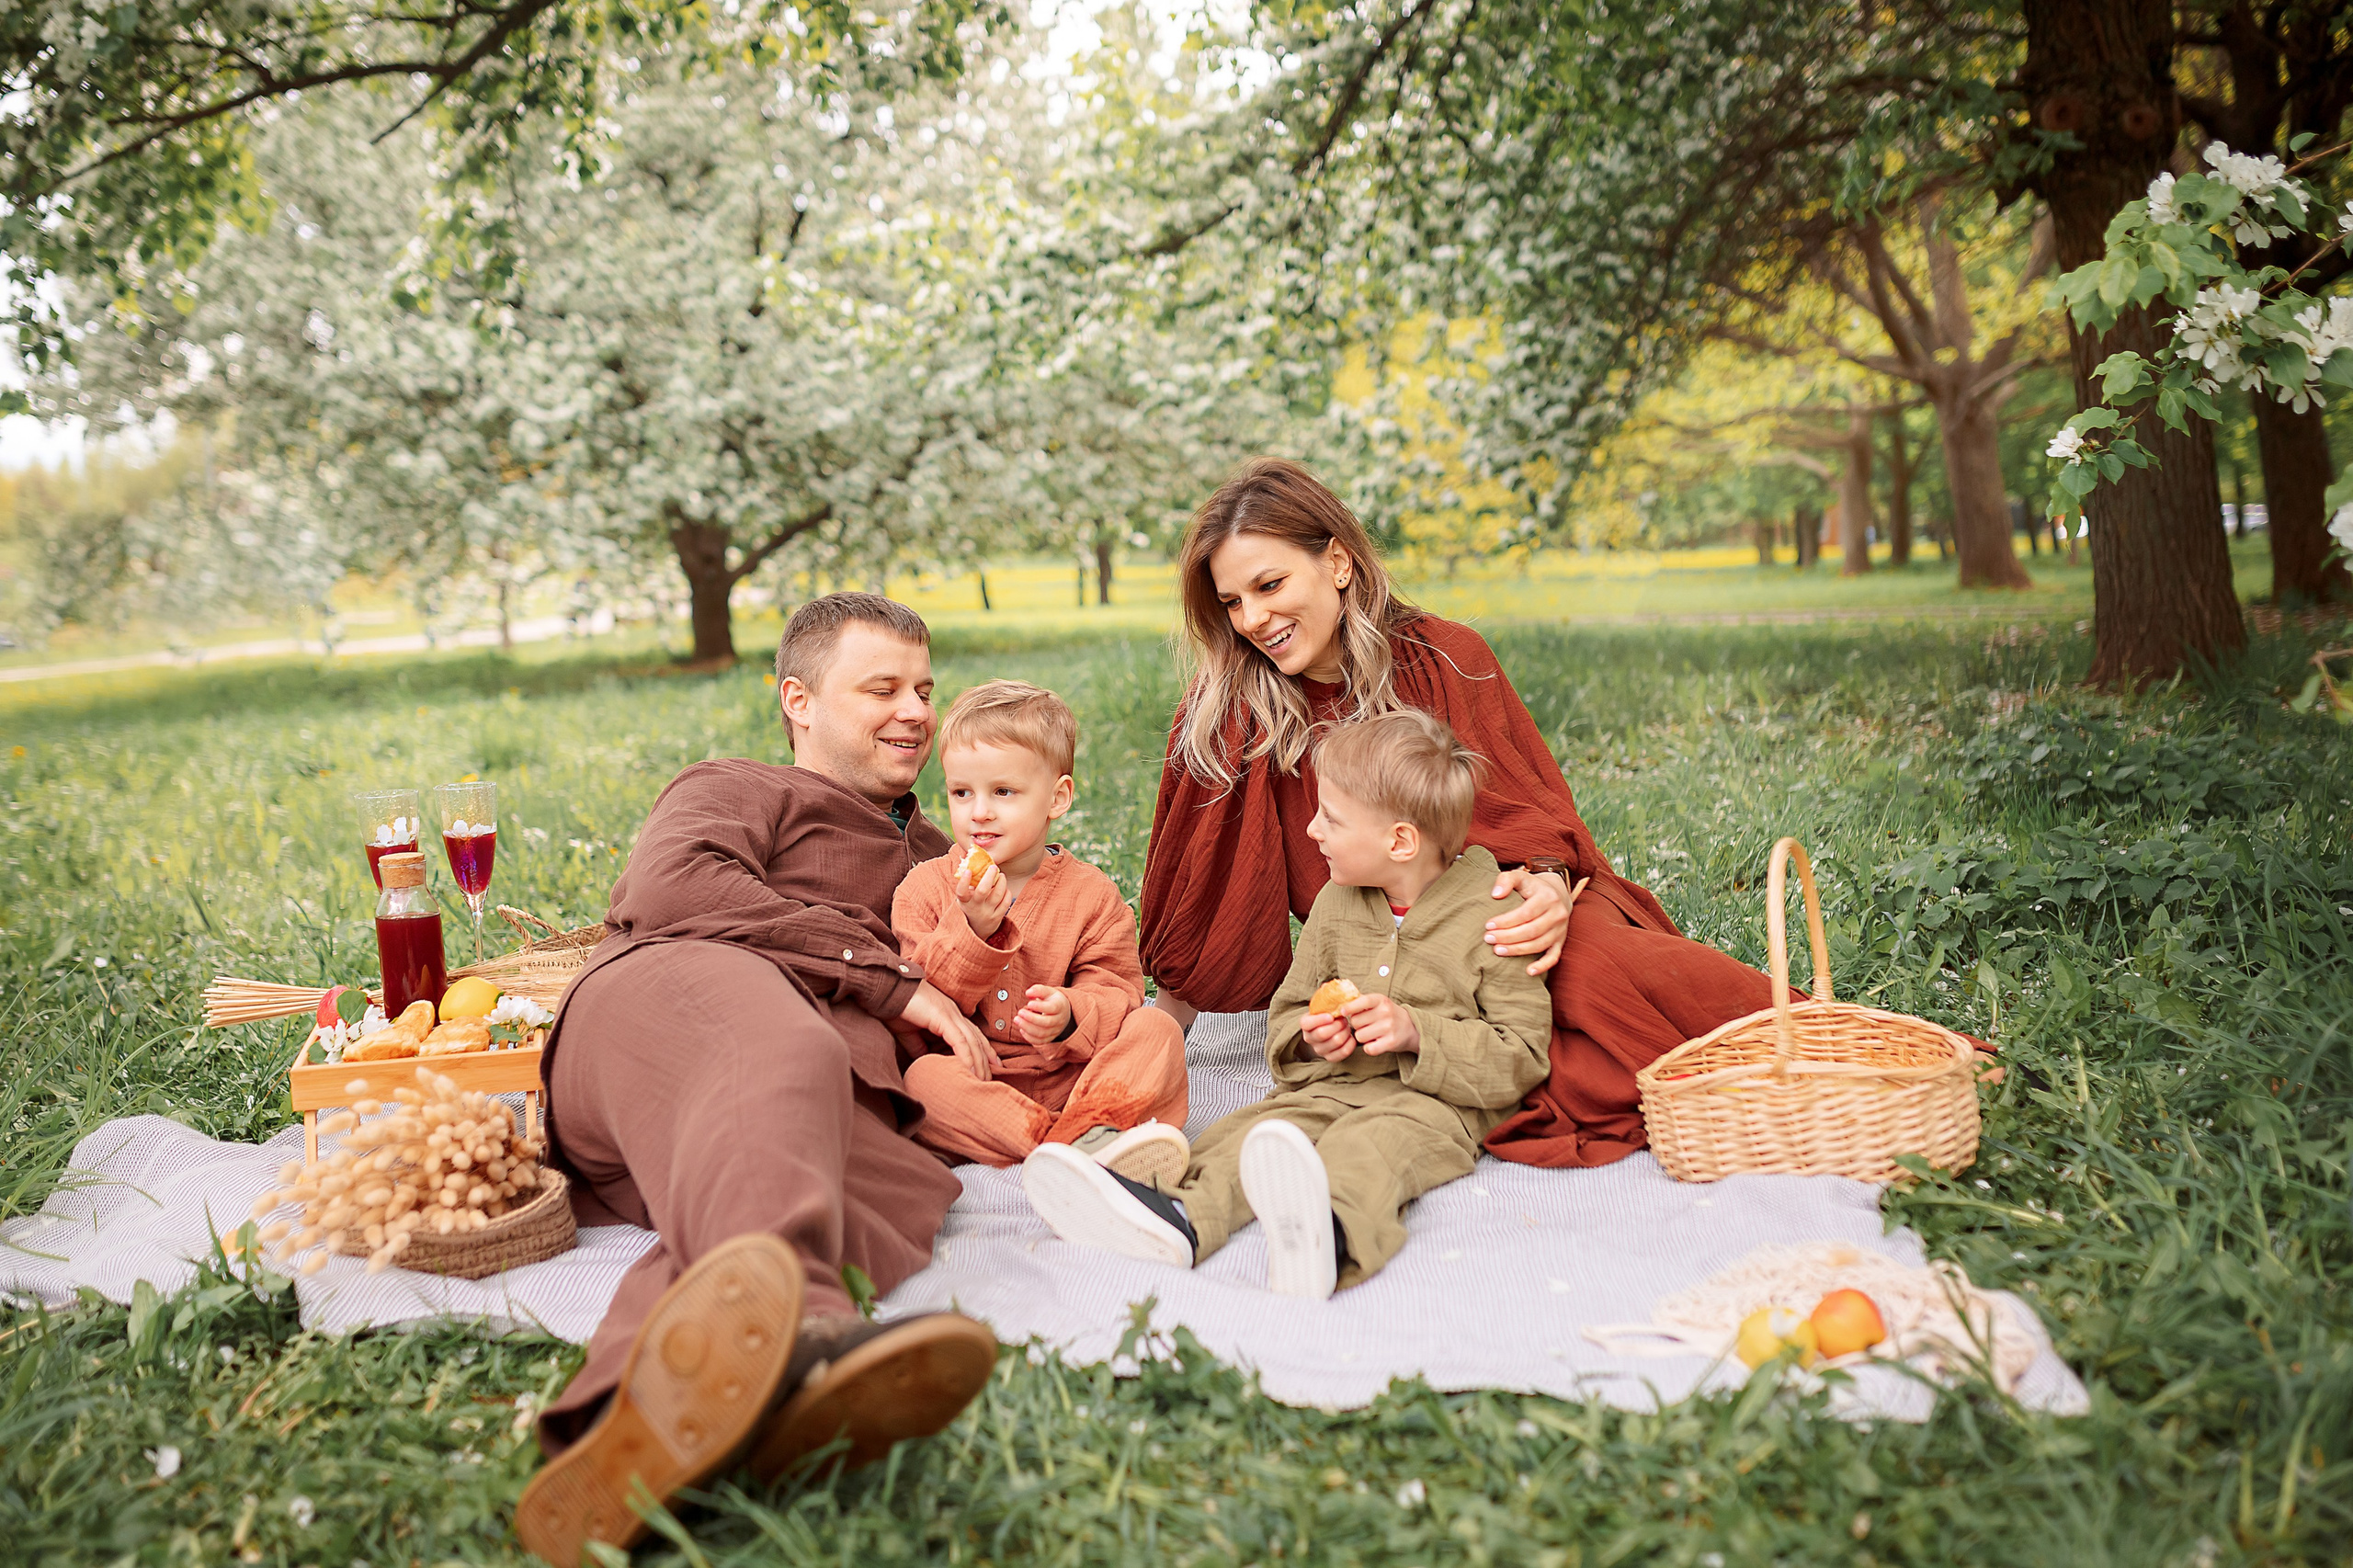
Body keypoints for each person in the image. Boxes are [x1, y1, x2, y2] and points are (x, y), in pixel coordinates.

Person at [1140, 457, 1808, 1170]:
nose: (1253, 619)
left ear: (1337, 562)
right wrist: (1157, 1027)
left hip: (1502, 904)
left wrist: (1551, 885)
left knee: (1583, 970)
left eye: (1269, 585)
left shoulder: (1447, 658)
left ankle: (1826, 1047)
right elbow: (1210, 894)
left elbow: (1531, 814)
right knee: (1502, 1048)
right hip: (1398, 951)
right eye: (1232, 602)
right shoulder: (1232, 714)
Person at [516, 594, 998, 1567]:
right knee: (786, 1049)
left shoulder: (949, 861)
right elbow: (669, 887)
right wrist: (879, 976)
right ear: (799, 700)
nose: (914, 711)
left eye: (924, 689)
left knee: (883, 1192)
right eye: (881, 688)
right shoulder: (734, 785)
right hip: (674, 1011)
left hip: (800, 1101)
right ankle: (812, 1332)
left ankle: (632, 1429)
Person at [1023, 710, 1552, 1298]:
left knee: (1368, 1151)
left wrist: (1417, 1034)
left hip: (1433, 1105)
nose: (1312, 831)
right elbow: (1290, 1011)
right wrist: (1310, 1035)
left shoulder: (1497, 914)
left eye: (1332, 818)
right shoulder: (1336, 903)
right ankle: (1176, 1219)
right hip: (1329, 1087)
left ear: (1399, 841)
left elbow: (1522, 1057)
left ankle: (1330, 1235)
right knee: (1256, 1132)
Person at [890, 679, 1190, 1184]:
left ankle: (1092, 1127)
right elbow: (923, 1002)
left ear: (1057, 798)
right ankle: (1071, 1150)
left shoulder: (1090, 894)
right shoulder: (922, 890)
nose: (979, 811)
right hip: (981, 1077)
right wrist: (972, 929)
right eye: (962, 792)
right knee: (921, 1081)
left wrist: (1072, 1015)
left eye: (1003, 792)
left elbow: (1118, 990)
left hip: (1080, 1077)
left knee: (1157, 1030)